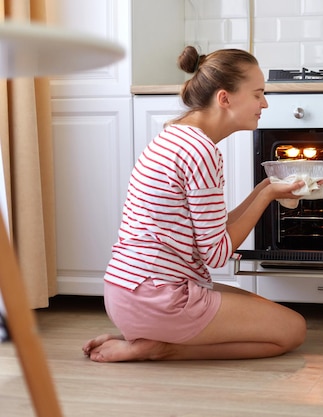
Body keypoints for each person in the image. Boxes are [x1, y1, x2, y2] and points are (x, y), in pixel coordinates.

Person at [82, 47, 308, 362]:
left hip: (127, 292)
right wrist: (268, 198)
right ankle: (162, 347)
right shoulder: (201, 151)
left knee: (271, 314)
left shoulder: (176, 137)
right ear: (225, 98)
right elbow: (216, 254)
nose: (265, 103)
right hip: (158, 299)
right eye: (258, 94)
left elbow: (204, 232)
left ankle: (144, 335)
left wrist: (264, 188)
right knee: (292, 330)